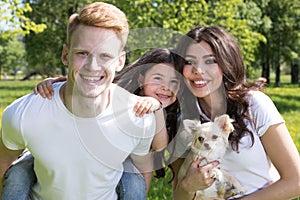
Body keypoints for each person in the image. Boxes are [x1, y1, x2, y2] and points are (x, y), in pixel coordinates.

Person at [0, 2, 166, 199]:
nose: (92, 66)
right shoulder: (24, 114)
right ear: (65, 54)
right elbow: (4, 164)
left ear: (120, 61)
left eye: (105, 56)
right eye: (82, 54)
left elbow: (140, 176)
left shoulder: (138, 117)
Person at [170, 25, 300, 199]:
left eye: (210, 61)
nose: (198, 70)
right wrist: (187, 186)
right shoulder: (184, 120)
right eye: (189, 62)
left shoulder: (254, 104)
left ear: (226, 63)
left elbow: (296, 181)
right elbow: (178, 195)